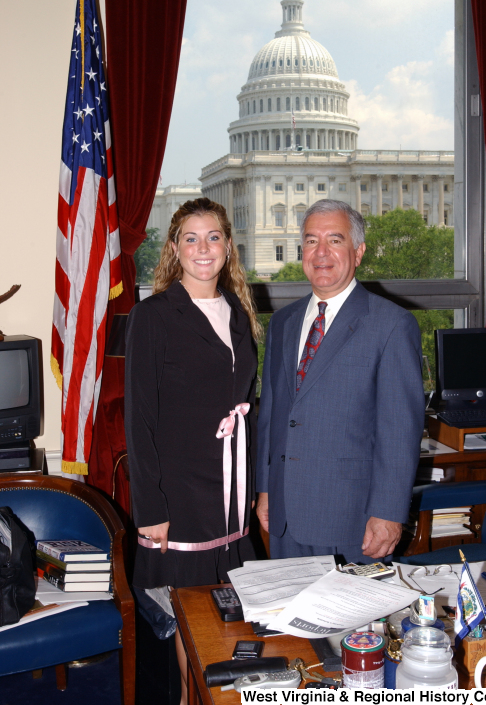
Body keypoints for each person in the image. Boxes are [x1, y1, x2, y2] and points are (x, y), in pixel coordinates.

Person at [125, 198, 260, 702]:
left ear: (228, 246)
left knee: (226, 611)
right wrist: (151, 510)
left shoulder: (239, 314)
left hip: (228, 494)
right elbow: (139, 421)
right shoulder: (153, 316)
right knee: (189, 613)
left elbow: (245, 405)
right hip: (178, 497)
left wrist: (248, 486)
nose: (203, 248)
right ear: (175, 249)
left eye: (213, 237)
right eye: (191, 238)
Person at [256, 199, 425, 562]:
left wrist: (390, 512)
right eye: (311, 241)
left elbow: (400, 431)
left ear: (358, 251)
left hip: (354, 521)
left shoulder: (392, 325)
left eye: (335, 240)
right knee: (287, 615)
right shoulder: (282, 323)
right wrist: (266, 488)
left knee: (354, 620)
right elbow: (271, 416)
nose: (321, 252)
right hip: (285, 514)